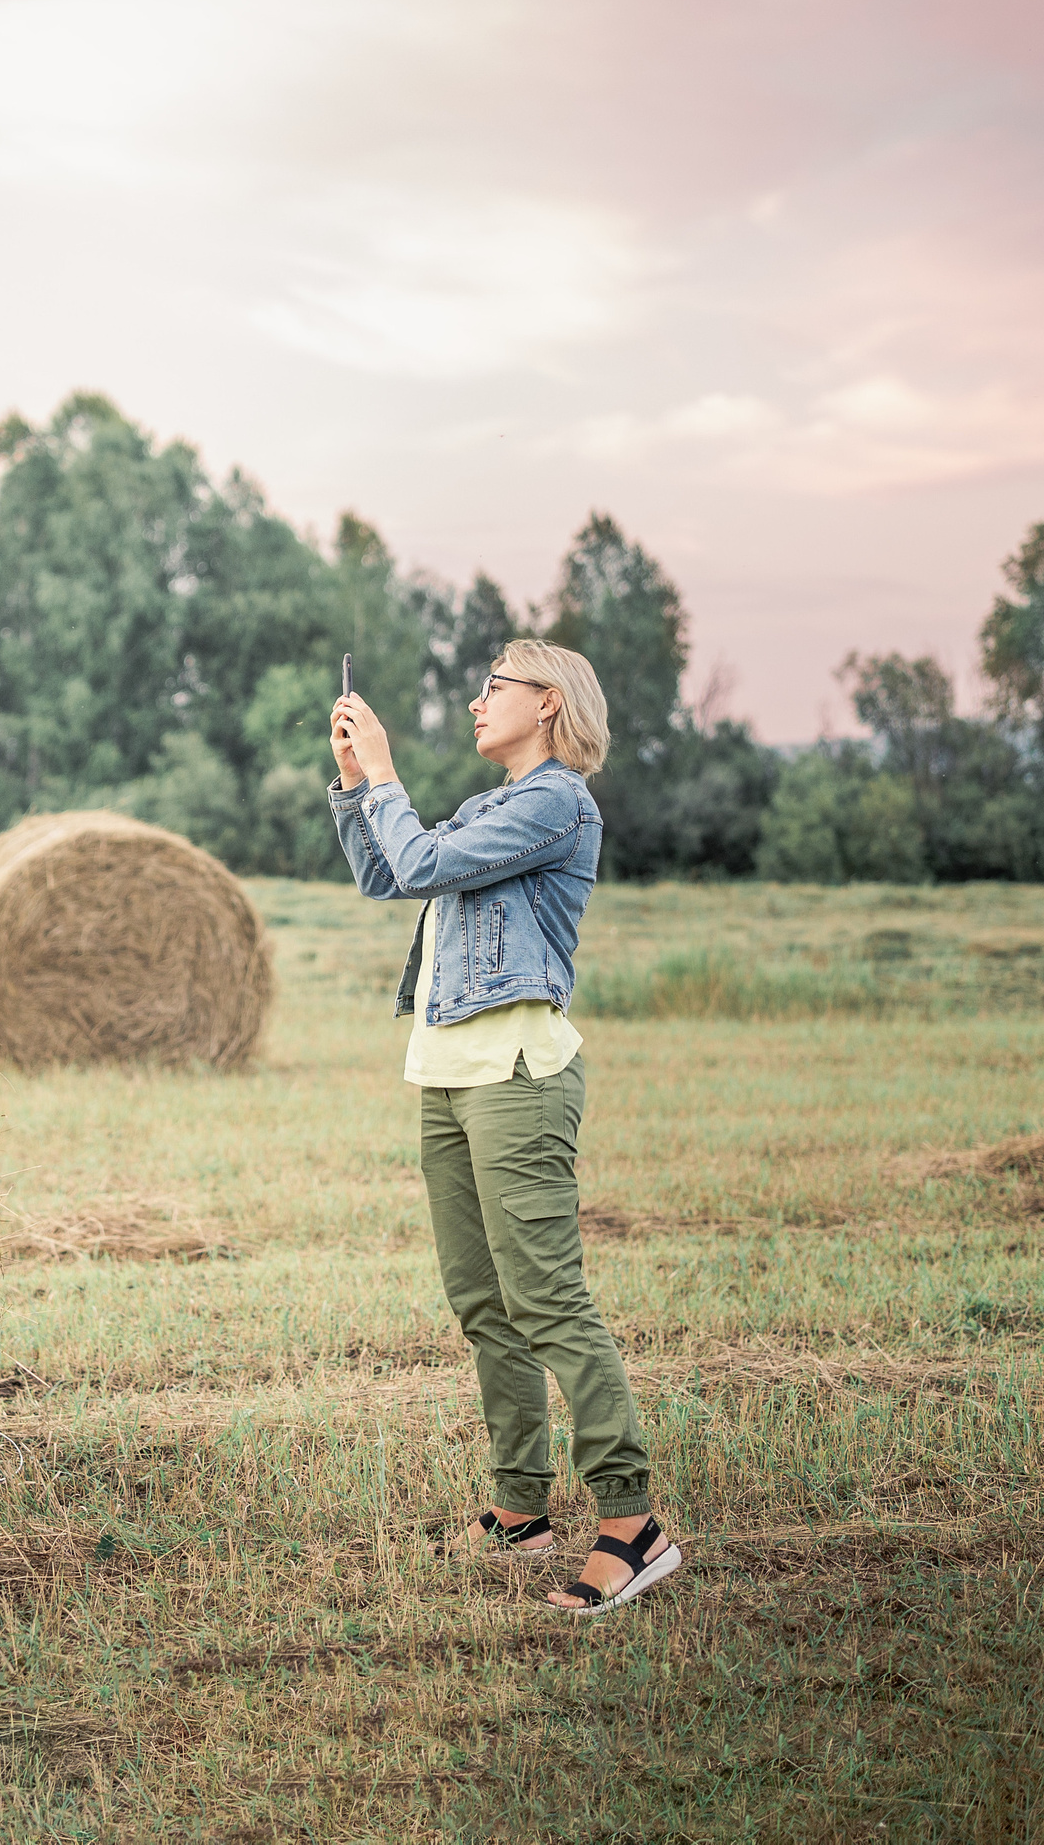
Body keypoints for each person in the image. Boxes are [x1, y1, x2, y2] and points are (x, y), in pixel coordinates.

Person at [329, 642, 680, 1614]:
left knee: (547, 1300)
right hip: (448, 1074)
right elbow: (390, 875)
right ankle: (522, 1507)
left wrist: (388, 773)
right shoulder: (491, 806)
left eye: (494, 687)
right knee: (484, 1303)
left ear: (549, 702)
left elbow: (422, 858)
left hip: (517, 1077)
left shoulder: (557, 801)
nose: (477, 701)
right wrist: (356, 784)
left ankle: (633, 1525)